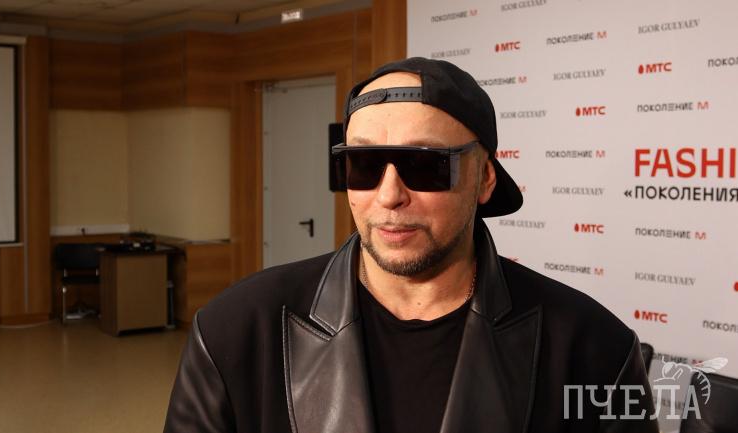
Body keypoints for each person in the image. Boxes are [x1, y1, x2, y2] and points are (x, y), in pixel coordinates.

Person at [164, 57, 658, 433]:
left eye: (424, 165)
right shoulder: (234, 332)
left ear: (485, 178)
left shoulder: (594, 349)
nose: (389, 195)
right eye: (363, 165)